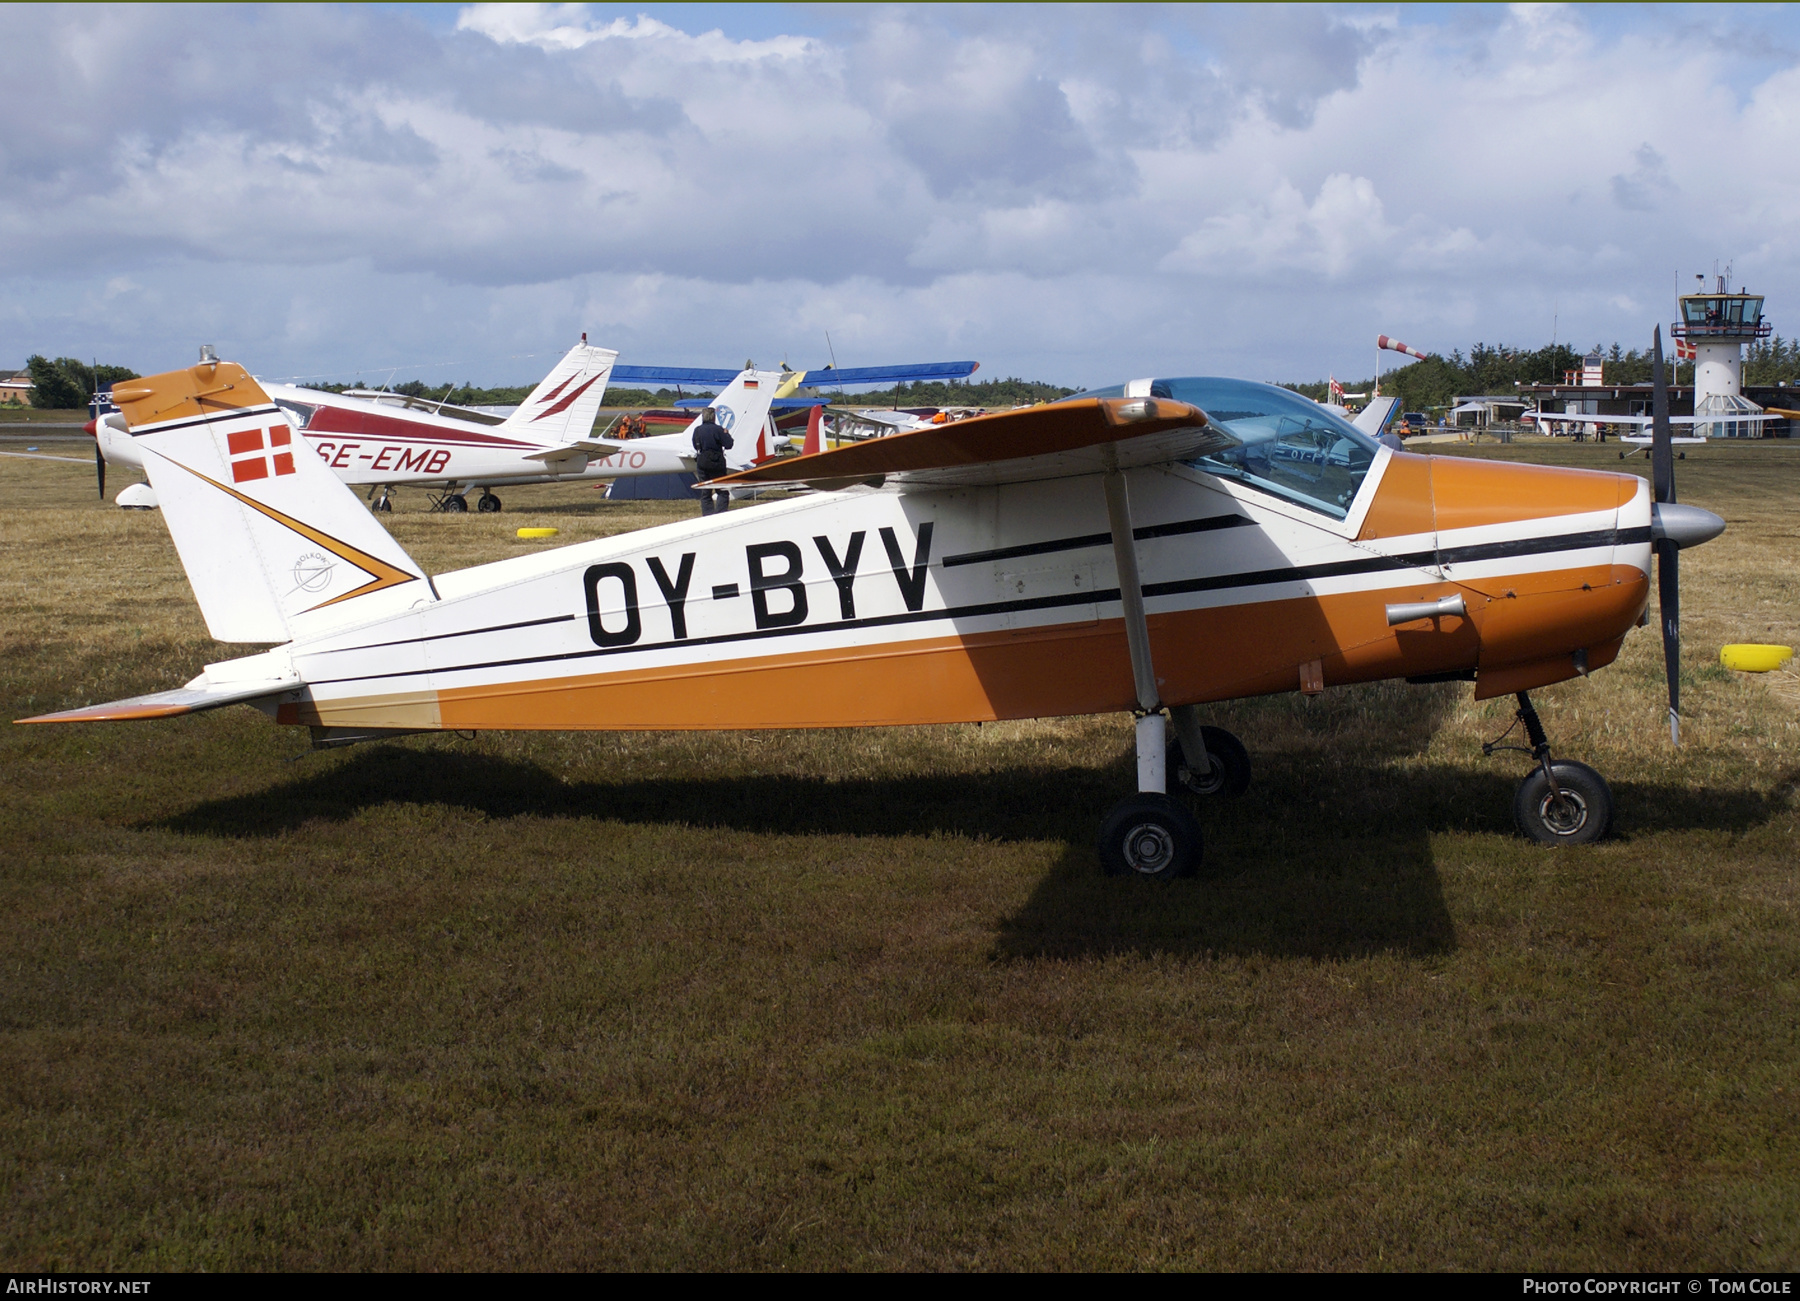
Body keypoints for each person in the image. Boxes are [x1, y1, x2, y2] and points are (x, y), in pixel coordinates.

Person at [691, 406, 734, 515]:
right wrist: (726, 434)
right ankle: (720, 514)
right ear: (714, 418)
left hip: (702, 462)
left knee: (706, 492)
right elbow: (729, 445)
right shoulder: (719, 430)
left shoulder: (697, 430)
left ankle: (707, 515)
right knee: (722, 491)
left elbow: (696, 446)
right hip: (717, 462)